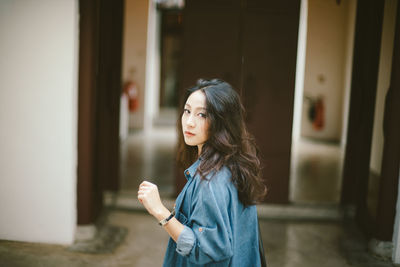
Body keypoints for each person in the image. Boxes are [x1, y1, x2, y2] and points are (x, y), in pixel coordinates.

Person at [138, 78, 267, 266]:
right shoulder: (234, 163)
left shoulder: (211, 181)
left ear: (222, 122)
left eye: (202, 115)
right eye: (187, 111)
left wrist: (160, 211)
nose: (189, 122)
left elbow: (207, 251)